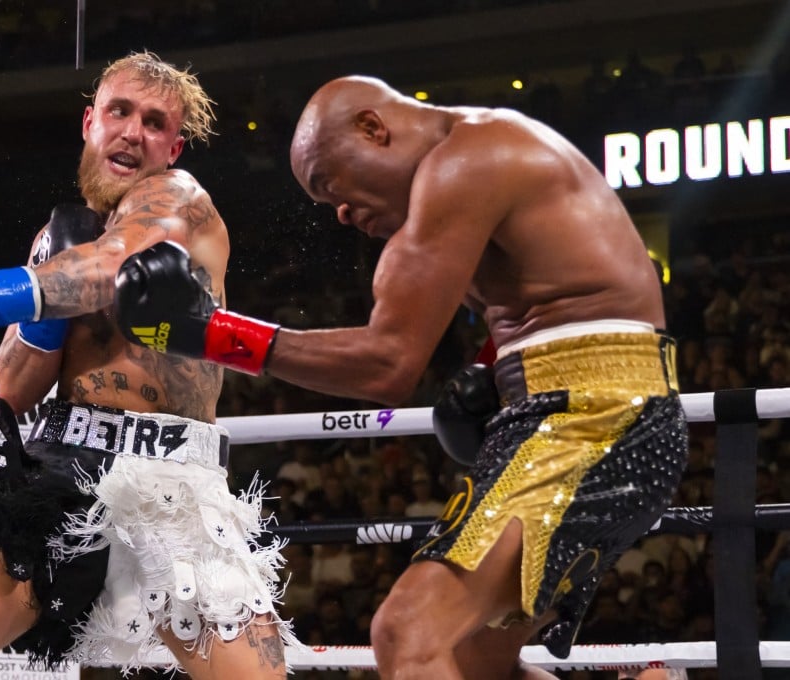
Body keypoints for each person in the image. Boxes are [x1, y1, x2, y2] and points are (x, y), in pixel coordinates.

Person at [110, 75, 690, 679]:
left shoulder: (467, 160)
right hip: (581, 404)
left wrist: (212, 334)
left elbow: (390, 364)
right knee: (471, 663)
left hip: (595, 413)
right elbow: (577, 285)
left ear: (373, 128)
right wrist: (493, 368)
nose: (337, 210)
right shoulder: (467, 177)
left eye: (329, 182)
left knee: (407, 632)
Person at [0, 51, 294, 680]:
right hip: (59, 467)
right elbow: (14, 390)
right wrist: (46, 305)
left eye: (155, 123)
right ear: (88, 124)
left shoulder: (177, 198)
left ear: (174, 149)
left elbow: (110, 268)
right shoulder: (61, 241)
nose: (133, 131)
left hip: (170, 481)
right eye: (119, 112)